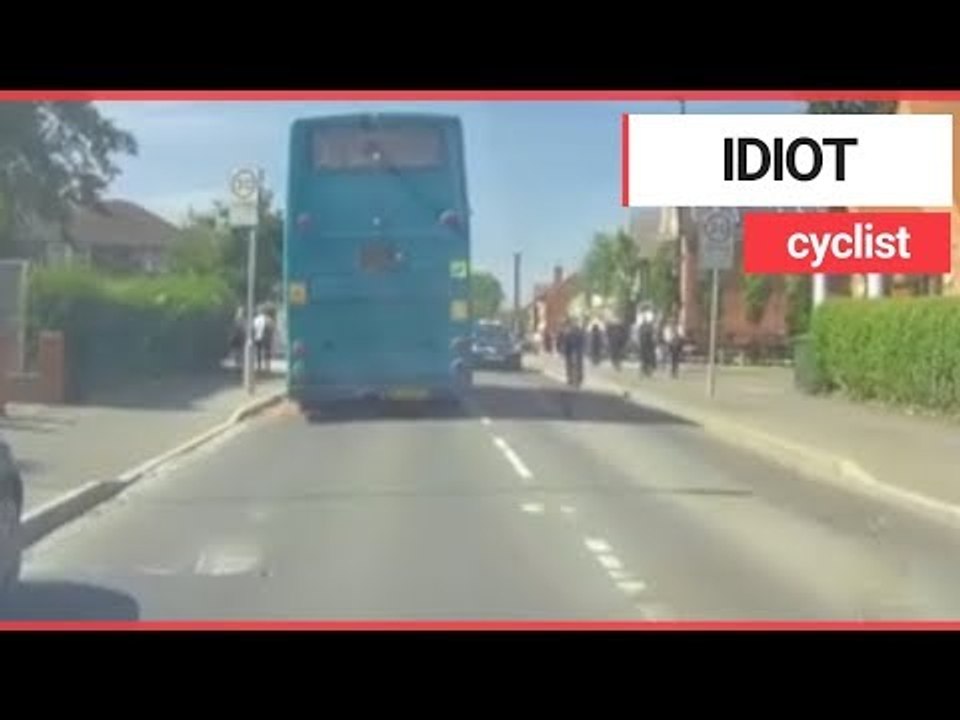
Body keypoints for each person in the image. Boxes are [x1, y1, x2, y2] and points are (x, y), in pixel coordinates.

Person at [561, 317, 585, 388]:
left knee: (571, 366)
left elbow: (567, 342)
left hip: (572, 351)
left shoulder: (569, 331)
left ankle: (572, 379)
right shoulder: (578, 330)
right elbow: (582, 340)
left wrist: (564, 351)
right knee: (577, 366)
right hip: (577, 351)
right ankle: (576, 379)